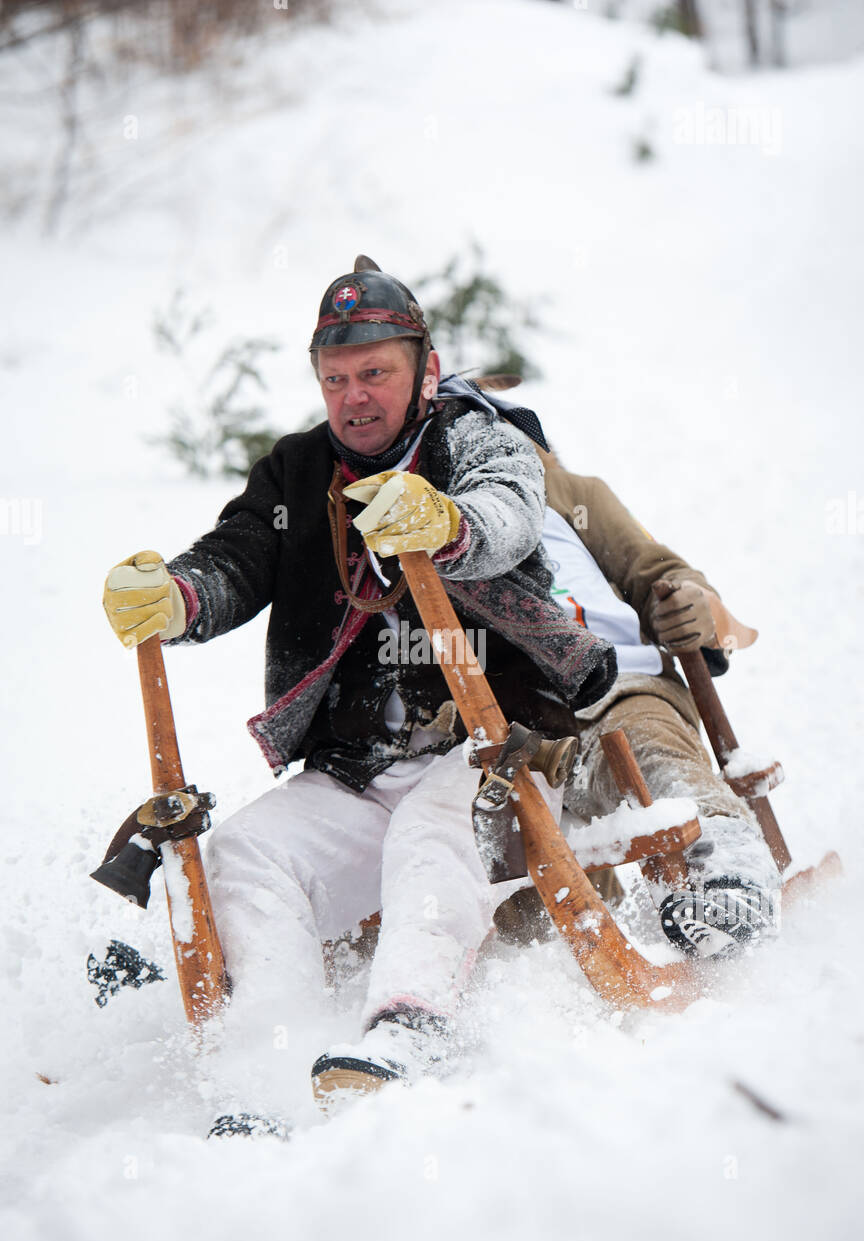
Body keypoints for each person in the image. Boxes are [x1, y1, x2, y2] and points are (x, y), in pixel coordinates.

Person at [101, 257, 617, 1107]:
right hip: (354, 768)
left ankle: (411, 1027)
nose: (354, 397)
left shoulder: (482, 439)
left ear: (425, 370)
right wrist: (181, 595)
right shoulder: (295, 473)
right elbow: (238, 558)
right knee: (246, 857)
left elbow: (509, 511)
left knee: (430, 836)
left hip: (495, 749)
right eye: (335, 379)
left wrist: (449, 525)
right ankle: (274, 1052)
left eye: (375, 372)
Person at [502, 447, 781, 960]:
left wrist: (694, 604)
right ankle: (545, 969)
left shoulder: (570, 494)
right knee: (500, 834)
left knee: (651, 757)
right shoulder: (422, 518)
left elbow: (656, 568)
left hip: (622, 682)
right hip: (514, 722)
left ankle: (730, 870)